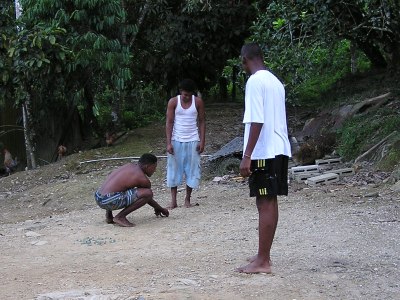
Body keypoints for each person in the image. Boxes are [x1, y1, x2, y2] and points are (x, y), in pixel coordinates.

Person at [236, 43, 291, 274]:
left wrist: (246, 156)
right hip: (279, 148)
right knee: (268, 200)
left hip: (265, 150)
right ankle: (263, 253)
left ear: (244, 60)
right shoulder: (275, 82)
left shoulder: (255, 81)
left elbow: (256, 120)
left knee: (265, 201)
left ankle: (263, 260)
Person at [94, 153, 169, 227]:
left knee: (119, 189)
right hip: (109, 200)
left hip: (99, 196)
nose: (155, 170)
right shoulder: (142, 178)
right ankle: (120, 217)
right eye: (154, 167)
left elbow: (116, 186)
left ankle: (109, 216)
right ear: (147, 166)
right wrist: (160, 209)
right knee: (148, 193)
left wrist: (158, 208)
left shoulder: (129, 166)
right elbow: (147, 197)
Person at [165, 79, 206, 209]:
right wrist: (168, 143)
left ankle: (187, 199)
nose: (186, 97)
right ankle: (173, 201)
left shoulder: (198, 102)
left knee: (192, 169)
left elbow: (202, 121)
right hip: (176, 139)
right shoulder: (173, 102)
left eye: (188, 95)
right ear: (180, 92)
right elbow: (169, 122)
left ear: (191, 93)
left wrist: (202, 141)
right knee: (173, 169)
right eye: (184, 94)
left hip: (193, 139)